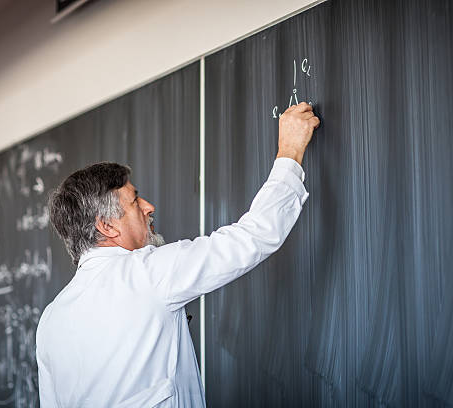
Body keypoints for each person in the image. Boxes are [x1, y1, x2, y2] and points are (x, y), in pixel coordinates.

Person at [35, 102, 320, 407]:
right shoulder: (147, 274)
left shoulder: (51, 321)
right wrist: (289, 153)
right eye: (135, 201)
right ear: (106, 226)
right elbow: (252, 237)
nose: (148, 207)